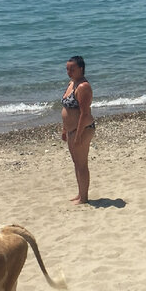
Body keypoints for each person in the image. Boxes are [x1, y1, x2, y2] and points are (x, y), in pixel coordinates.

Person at [60, 55, 95, 203]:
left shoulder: (83, 87)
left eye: (72, 69)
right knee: (76, 163)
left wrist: (79, 134)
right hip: (71, 131)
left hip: (83, 129)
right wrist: (64, 129)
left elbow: (84, 113)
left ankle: (84, 197)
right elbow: (66, 108)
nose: (69, 72)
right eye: (67, 69)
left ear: (81, 69)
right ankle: (80, 194)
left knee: (82, 164)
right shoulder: (72, 83)